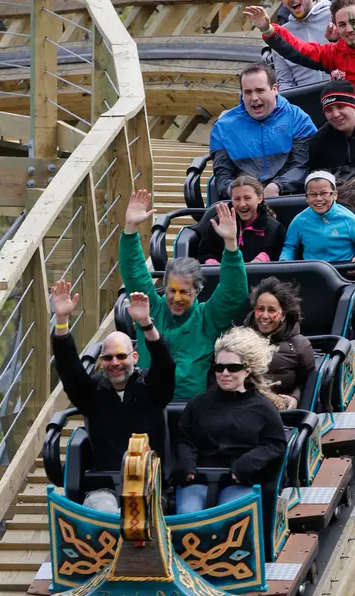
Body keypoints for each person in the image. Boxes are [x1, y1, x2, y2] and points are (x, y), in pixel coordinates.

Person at [50, 280, 176, 511]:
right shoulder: (93, 393)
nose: (115, 363)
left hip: (151, 486)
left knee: (139, 513)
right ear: (100, 362)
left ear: (135, 357)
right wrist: (61, 321)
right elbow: (69, 370)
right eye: (108, 358)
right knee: (106, 512)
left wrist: (146, 323)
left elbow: (165, 365)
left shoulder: (152, 388)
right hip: (105, 486)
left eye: (121, 356)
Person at [119, 188, 248, 399]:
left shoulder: (207, 318)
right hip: (147, 403)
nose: (176, 298)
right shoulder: (151, 309)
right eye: (171, 290)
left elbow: (233, 291)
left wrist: (231, 245)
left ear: (197, 291)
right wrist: (131, 228)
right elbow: (134, 273)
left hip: (190, 407)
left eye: (184, 292)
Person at [174, 327, 288, 515]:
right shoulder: (198, 404)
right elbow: (184, 440)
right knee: (188, 513)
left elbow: (275, 444)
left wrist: (246, 464)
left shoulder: (263, 409)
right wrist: (187, 465)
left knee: (229, 515)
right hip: (198, 479)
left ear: (247, 370)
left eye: (233, 368)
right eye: (219, 367)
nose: (224, 373)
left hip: (240, 480)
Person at [209, 63, 317, 199]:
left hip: (288, 195)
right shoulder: (223, 127)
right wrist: (241, 192)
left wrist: (277, 186)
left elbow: (303, 166)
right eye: (247, 92)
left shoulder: (298, 118)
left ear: (275, 89)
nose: (254, 98)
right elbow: (222, 177)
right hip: (243, 201)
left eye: (260, 90)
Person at [244, 278, 315, 410]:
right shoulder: (239, 340)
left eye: (271, 310)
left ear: (283, 315)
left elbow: (307, 381)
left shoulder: (300, 345)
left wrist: (295, 398)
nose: (264, 316)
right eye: (260, 309)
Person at [280, 171, 355, 263]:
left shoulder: (348, 218)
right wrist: (284, 261)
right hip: (313, 271)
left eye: (324, 193)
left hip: (344, 271)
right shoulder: (299, 220)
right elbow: (290, 246)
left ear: (334, 195)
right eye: (313, 194)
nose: (318, 199)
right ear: (306, 197)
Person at [195, 175, 285, 264]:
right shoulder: (218, 222)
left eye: (247, 198)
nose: (242, 204)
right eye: (237, 199)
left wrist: (263, 258)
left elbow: (278, 254)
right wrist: (213, 264)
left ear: (260, 198)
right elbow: (204, 254)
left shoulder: (274, 228)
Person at [266, 0, 331, 87]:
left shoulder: (336, 17)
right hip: (305, 104)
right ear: (282, 2)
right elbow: (285, 84)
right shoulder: (279, 37)